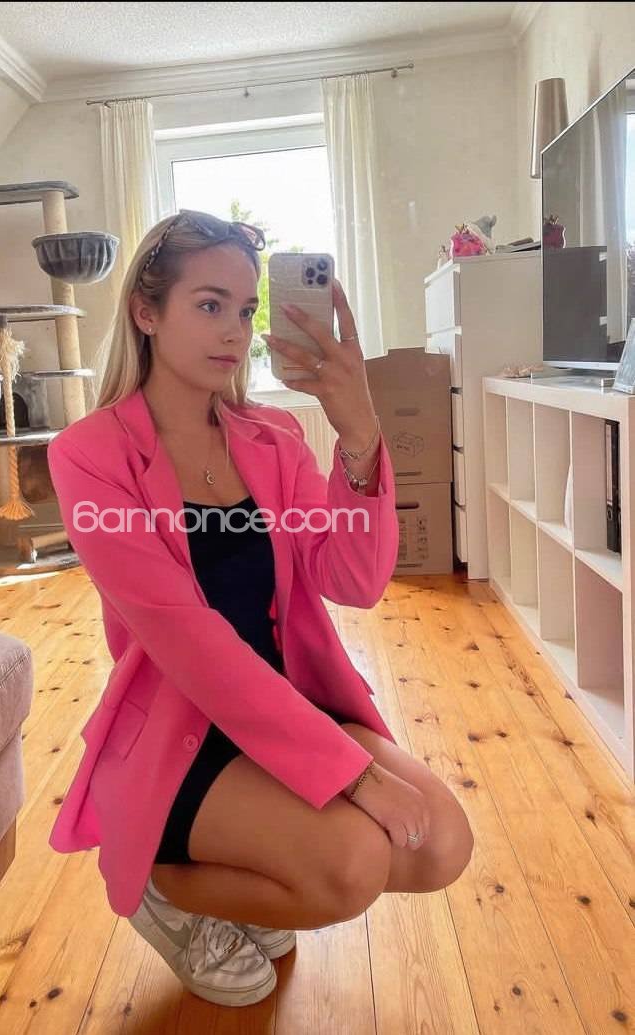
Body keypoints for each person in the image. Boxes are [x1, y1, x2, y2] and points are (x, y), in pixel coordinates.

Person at [47, 210, 472, 1009]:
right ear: (146, 312)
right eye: (209, 304)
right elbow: (192, 646)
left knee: (442, 845)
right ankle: (166, 889)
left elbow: (353, 579)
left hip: (288, 703)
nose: (234, 332)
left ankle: (248, 870)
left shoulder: (273, 437)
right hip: (184, 728)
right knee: (351, 865)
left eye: (246, 310)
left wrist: (359, 431)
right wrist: (355, 776)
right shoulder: (89, 456)